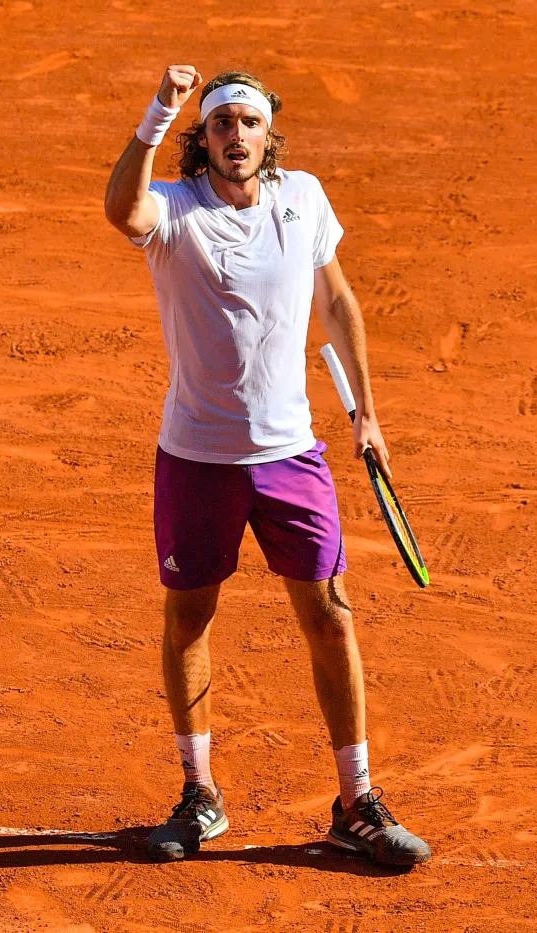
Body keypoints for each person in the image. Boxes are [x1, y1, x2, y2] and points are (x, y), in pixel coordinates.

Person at [103, 65, 432, 866]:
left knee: (330, 615)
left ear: (268, 134)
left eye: (249, 122)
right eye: (221, 125)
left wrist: (367, 413)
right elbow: (121, 208)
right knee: (189, 619)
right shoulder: (176, 211)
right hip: (197, 456)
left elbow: (341, 300)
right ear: (203, 139)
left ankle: (355, 802)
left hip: (292, 456)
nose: (236, 136)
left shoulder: (304, 198)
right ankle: (199, 793)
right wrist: (156, 113)